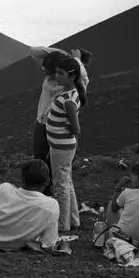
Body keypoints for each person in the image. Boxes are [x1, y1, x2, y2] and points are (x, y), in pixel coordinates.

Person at [29, 46, 90, 192]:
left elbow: (78, 72)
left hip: (60, 129)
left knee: (55, 165)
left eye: (50, 71)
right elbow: (34, 51)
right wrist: (64, 54)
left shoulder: (76, 80)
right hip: (42, 124)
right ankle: (42, 190)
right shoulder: (51, 78)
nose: (48, 74)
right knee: (40, 159)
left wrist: (75, 59)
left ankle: (54, 193)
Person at [46, 56, 86, 232]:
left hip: (61, 147)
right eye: (56, 72)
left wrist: (63, 129)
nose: (56, 75)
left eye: (60, 73)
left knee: (60, 185)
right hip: (61, 146)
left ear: (72, 76)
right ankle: (73, 220)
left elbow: (76, 128)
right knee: (66, 181)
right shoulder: (71, 93)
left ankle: (62, 225)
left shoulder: (69, 99)